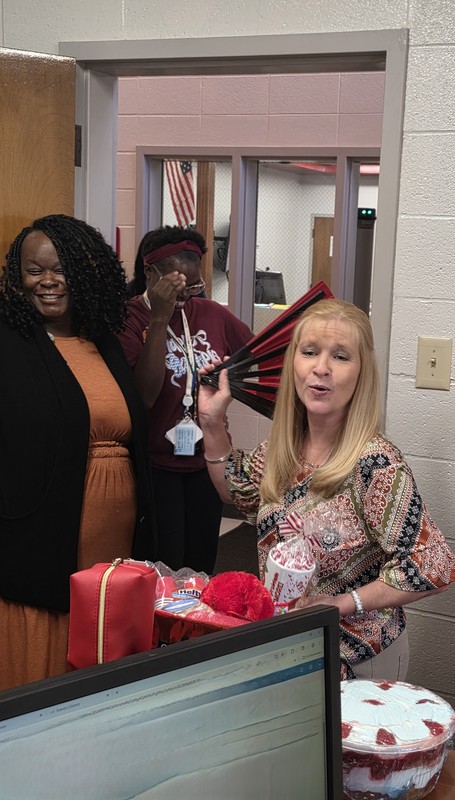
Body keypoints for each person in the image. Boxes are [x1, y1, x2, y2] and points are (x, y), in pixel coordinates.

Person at [198, 298, 455, 680]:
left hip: (358, 659)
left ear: (361, 374)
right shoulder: (281, 449)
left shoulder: (375, 464)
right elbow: (238, 492)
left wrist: (342, 602)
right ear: (294, 364)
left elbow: (432, 566)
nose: (320, 368)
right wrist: (211, 422)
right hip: (289, 646)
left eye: (340, 357)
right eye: (309, 352)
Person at [0, 214, 156, 691]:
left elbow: (139, 413)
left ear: (85, 273)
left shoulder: (101, 340)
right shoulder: (7, 341)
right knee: (43, 672)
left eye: (60, 268)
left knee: (103, 656)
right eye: (34, 270)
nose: (47, 281)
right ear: (16, 276)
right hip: (39, 540)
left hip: (116, 536)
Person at [118, 226, 253, 574]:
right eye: (176, 285)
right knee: (165, 564)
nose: (185, 296)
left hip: (205, 462)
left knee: (201, 563)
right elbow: (144, 396)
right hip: (155, 465)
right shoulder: (128, 319)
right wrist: (160, 317)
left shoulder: (212, 313)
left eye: (193, 286)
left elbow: (258, 358)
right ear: (150, 273)